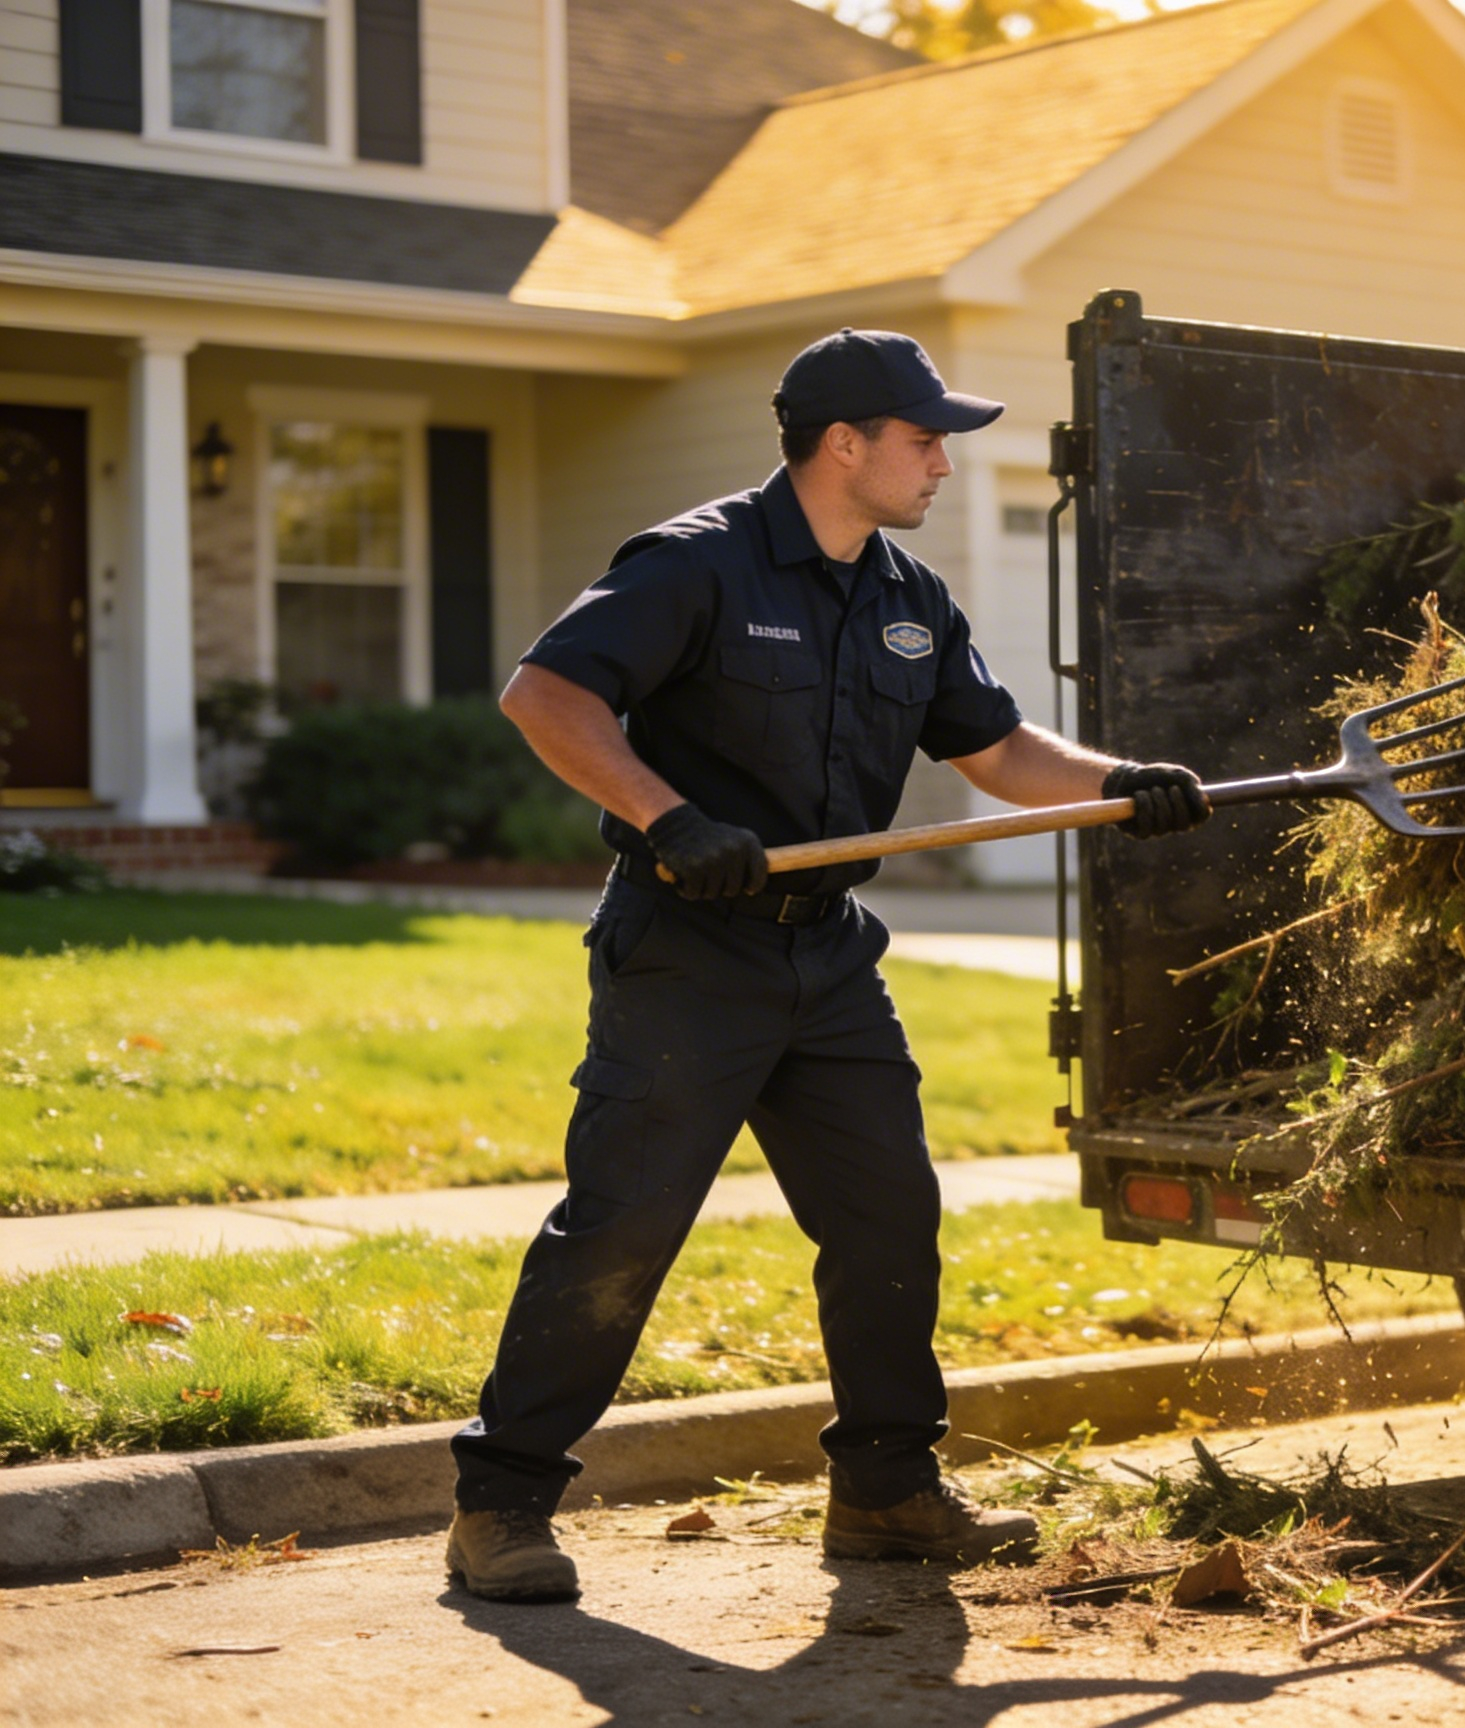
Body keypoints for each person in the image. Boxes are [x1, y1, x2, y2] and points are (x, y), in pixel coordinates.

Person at [444, 329, 1208, 1602]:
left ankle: (887, 1492)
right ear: (842, 444)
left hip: (831, 960)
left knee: (887, 1218)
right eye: (926, 441)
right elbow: (547, 696)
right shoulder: (695, 563)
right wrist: (670, 817)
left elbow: (998, 750)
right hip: (687, 951)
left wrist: (1120, 784)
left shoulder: (908, 595)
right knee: (622, 1229)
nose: (945, 466)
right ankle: (501, 1504)